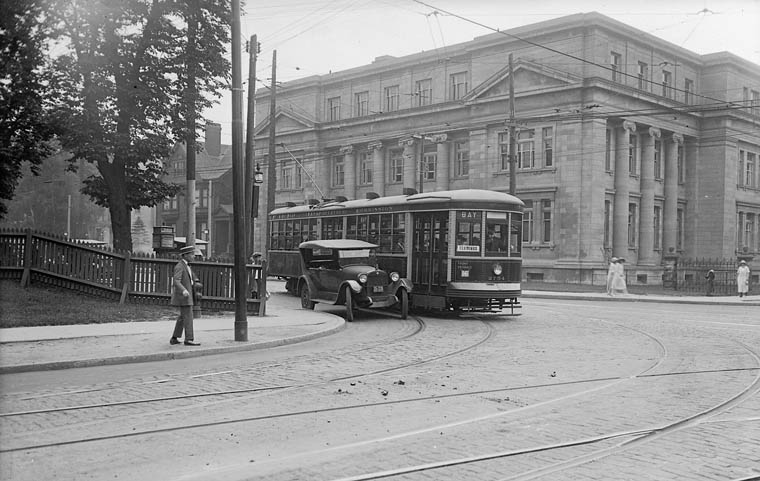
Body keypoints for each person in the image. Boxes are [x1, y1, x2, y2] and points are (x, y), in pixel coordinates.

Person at [170, 246, 200, 346]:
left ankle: (174, 337)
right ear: (185, 255)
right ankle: (189, 339)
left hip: (188, 295)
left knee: (182, 317)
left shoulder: (187, 266)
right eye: (191, 254)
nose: (193, 256)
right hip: (184, 296)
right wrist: (184, 290)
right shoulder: (180, 266)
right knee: (188, 317)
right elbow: (176, 281)